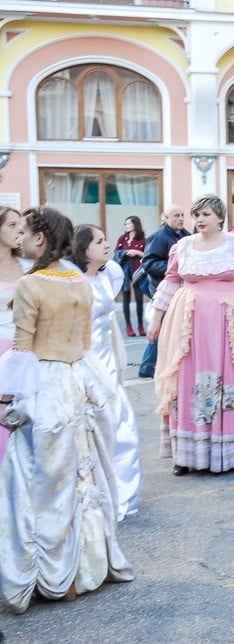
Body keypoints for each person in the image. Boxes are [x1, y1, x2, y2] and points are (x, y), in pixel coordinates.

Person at [0, 206, 134, 614]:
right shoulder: (79, 281)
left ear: (40, 238)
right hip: (78, 382)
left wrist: (6, 400)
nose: (19, 237)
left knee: (36, 482)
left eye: (24, 231)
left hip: (43, 383)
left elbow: (23, 349)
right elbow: (85, 342)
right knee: (81, 478)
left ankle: (45, 572)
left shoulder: (31, 284)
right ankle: (82, 568)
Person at [147, 195, 234, 476]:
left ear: (220, 217)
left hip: (227, 320)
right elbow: (170, 280)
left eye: (205, 214)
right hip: (188, 320)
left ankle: (231, 450)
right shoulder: (182, 246)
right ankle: (187, 453)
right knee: (187, 377)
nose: (199, 220)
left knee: (230, 374)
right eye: (196, 215)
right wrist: (156, 318)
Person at [71, 225, 143, 521]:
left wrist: (120, 362)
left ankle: (121, 494)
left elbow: (110, 326)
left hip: (108, 363)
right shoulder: (74, 282)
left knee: (122, 429)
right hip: (84, 361)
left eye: (105, 240)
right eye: (98, 241)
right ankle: (90, 494)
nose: (106, 245)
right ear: (82, 248)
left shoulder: (109, 275)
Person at [138, 205, 188, 378]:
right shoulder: (159, 237)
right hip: (164, 289)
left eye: (182, 215)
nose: (180, 218)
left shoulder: (186, 236)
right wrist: (174, 267)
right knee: (161, 327)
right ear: (165, 218)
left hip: (181, 290)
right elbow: (148, 263)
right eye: (176, 215)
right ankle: (147, 366)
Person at [0, 207, 28, 463]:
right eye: (11, 225)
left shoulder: (27, 265)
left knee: (21, 419)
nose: (19, 230)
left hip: (23, 349)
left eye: (21, 225)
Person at [115, 215, 146, 336]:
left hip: (138, 271)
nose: (126, 226)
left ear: (135, 224)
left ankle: (140, 325)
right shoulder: (122, 238)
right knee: (126, 298)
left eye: (128, 223)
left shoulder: (143, 239)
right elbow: (116, 253)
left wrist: (137, 252)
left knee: (139, 299)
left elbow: (148, 255)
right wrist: (125, 252)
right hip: (125, 270)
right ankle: (128, 326)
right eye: (125, 224)